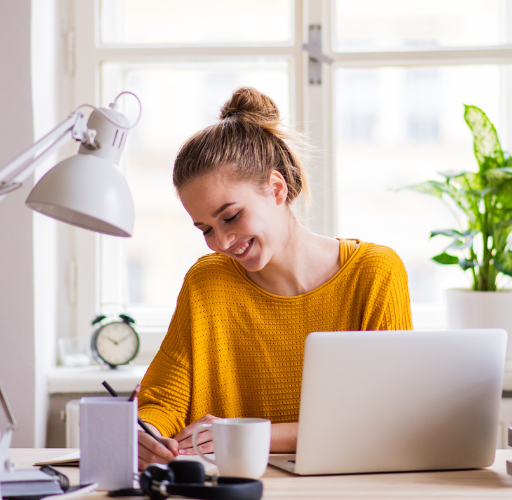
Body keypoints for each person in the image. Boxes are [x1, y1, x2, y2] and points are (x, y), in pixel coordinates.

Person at [135, 87, 413, 469]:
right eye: (206, 229)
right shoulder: (207, 282)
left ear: (277, 188)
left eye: (230, 216)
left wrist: (244, 433)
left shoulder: (374, 273)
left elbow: (387, 418)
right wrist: (145, 434)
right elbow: (163, 400)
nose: (222, 242)